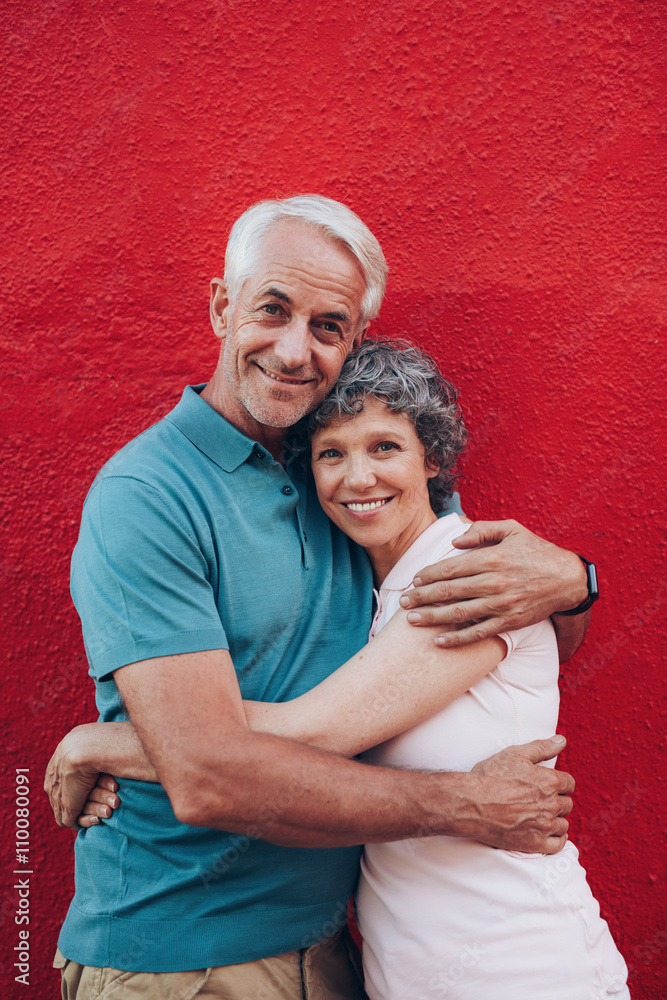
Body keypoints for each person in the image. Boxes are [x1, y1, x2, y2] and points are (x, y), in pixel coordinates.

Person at [46, 195, 594, 999]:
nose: (294, 349)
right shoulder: (148, 494)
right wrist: (463, 806)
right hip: (181, 960)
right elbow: (209, 777)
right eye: (271, 310)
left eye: (328, 326)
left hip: (335, 950)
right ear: (221, 306)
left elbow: (518, 632)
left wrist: (574, 584)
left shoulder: (347, 484)